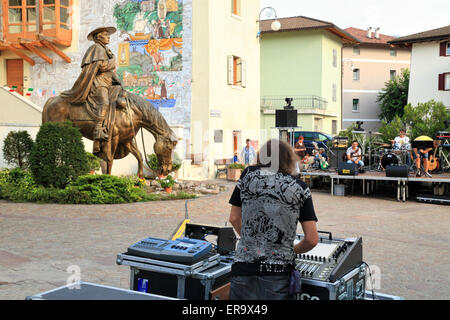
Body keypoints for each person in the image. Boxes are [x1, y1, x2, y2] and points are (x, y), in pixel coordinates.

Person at [228, 139, 319, 300]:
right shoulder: (300, 188)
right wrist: (293, 249)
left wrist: (252, 241)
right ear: (289, 159)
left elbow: (234, 218)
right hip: (277, 275)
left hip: (243, 269)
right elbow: (311, 239)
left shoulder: (247, 176)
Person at [61, 26, 121, 147]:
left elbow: (109, 71)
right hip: (98, 83)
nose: (109, 36)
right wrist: (113, 59)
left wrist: (118, 81)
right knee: (104, 102)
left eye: (108, 34)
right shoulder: (96, 48)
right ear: (99, 37)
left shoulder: (105, 50)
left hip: (107, 82)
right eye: (106, 34)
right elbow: (102, 67)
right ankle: (98, 129)